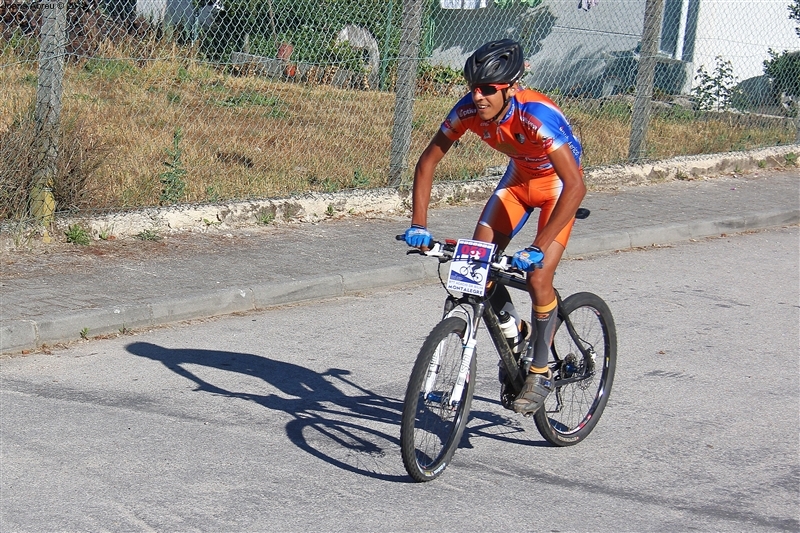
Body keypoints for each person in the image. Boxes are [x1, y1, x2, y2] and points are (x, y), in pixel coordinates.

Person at [402, 39, 586, 415]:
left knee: (537, 278)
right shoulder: (468, 110)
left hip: (557, 188)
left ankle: (539, 371)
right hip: (518, 182)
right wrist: (419, 224)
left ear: (510, 88)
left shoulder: (535, 115)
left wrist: (539, 244)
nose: (479, 97)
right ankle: (513, 332)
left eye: (489, 89)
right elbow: (427, 162)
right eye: (473, 88)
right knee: (475, 267)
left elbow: (576, 185)